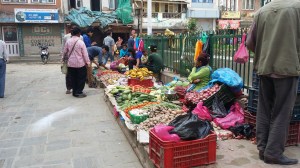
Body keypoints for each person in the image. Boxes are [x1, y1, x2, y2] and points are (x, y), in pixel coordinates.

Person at [246, 0, 300, 165]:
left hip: (264, 67)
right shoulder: (297, 7)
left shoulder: (262, 11)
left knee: (264, 108)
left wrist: (265, 54)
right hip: (287, 67)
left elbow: (249, 42)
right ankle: (274, 153)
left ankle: (263, 149)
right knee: (282, 111)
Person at [63, 27, 90, 98]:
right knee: (81, 78)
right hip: (80, 64)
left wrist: (63, 59)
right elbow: (85, 54)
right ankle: (79, 92)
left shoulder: (68, 41)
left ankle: (74, 91)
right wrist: (88, 62)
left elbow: (64, 51)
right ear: (79, 33)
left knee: (73, 78)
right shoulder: (81, 42)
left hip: (70, 64)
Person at [62, 24, 83, 94]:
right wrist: (63, 58)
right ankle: (68, 88)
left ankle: (75, 89)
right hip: (69, 59)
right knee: (68, 75)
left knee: (77, 75)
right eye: (72, 29)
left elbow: (82, 49)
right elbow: (64, 48)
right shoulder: (66, 37)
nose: (72, 30)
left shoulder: (81, 37)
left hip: (78, 60)